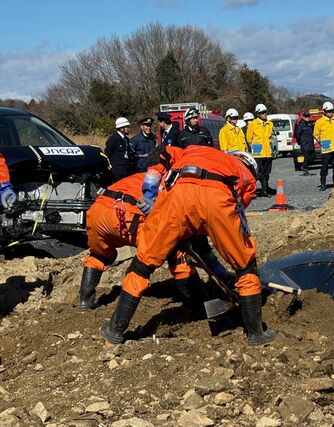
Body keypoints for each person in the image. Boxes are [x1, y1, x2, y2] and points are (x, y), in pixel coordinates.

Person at [99, 147, 276, 347]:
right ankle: (256, 334)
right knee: (245, 265)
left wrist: (150, 195)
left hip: (176, 196)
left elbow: (159, 155)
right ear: (249, 166)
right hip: (217, 197)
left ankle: (114, 331)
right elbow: (234, 215)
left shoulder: (196, 150)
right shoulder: (246, 177)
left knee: (143, 264)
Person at [77, 172, 230, 312]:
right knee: (175, 253)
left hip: (99, 210)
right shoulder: (182, 188)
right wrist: (219, 271)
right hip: (130, 216)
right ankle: (200, 307)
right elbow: (195, 239)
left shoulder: (155, 177)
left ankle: (85, 302)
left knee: (99, 255)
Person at [246, 104, 275, 197]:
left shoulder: (270, 123)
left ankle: (265, 190)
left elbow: (271, 137)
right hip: (258, 153)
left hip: (268, 152)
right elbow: (249, 138)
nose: (265, 114)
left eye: (265, 112)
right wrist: (255, 148)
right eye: (262, 112)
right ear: (258, 114)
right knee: (256, 173)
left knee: (266, 173)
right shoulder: (253, 124)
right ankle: (251, 191)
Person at [313, 101, 334, 190]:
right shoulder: (319, 122)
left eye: (331, 111)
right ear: (324, 111)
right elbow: (316, 134)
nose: (330, 113)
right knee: (324, 166)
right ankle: (323, 184)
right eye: (328, 111)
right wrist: (322, 143)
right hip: (326, 149)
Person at [105, 117, 136, 182]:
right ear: (121, 128)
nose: (128, 129)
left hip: (126, 170)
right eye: (127, 127)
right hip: (117, 172)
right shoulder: (114, 139)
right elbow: (107, 153)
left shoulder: (126, 139)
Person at [294, 111, 315, 175]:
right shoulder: (301, 125)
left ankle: (305, 166)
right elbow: (297, 134)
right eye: (306, 117)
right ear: (303, 117)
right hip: (304, 144)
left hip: (310, 144)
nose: (307, 118)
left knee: (313, 156)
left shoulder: (310, 124)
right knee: (306, 157)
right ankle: (304, 167)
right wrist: (299, 142)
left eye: (308, 116)